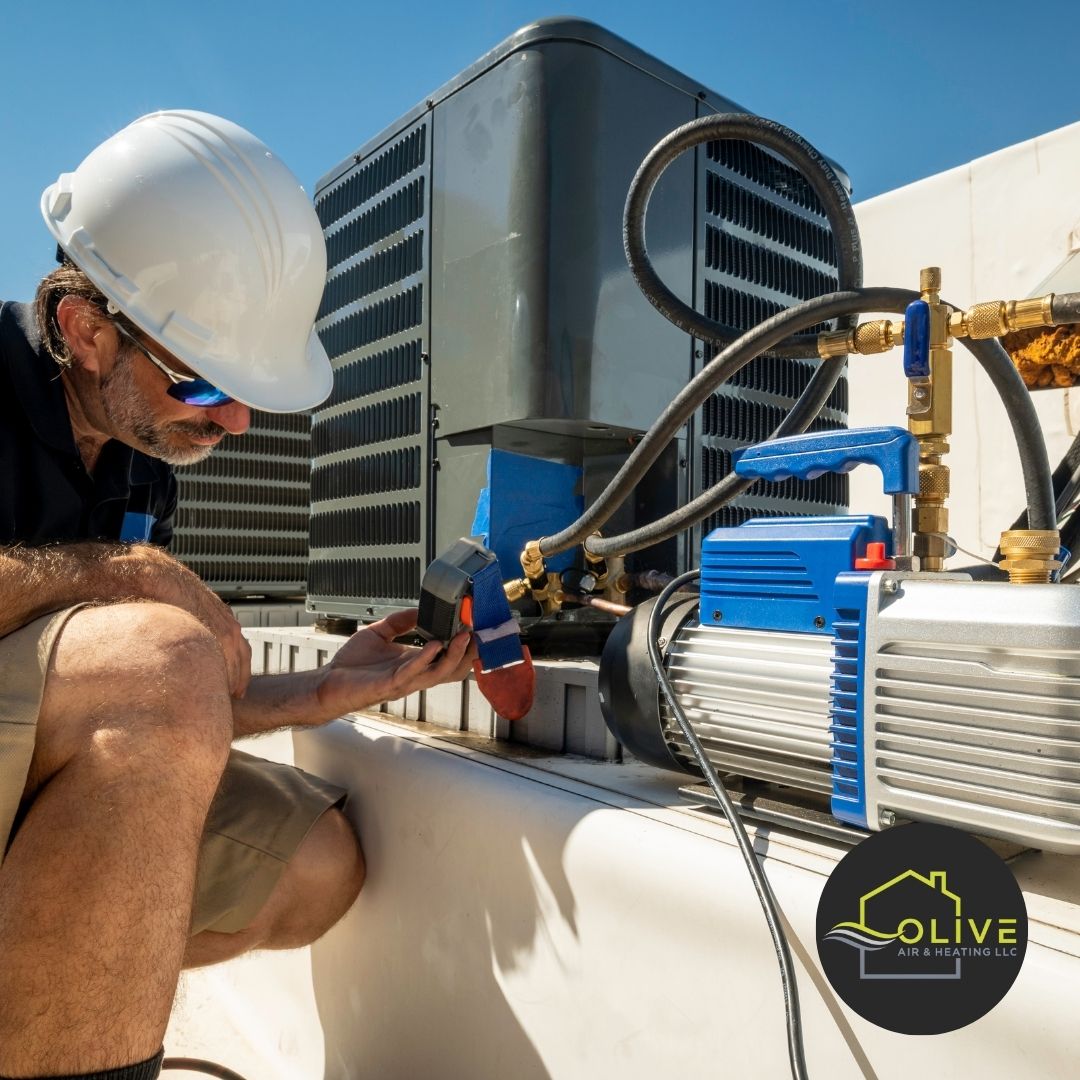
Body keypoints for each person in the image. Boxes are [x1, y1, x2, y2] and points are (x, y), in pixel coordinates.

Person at [0, 110, 474, 1080]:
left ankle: (51, 1005)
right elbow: (146, 662)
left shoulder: (142, 468)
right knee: (159, 652)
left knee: (319, 863)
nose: (240, 420)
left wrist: (327, 695)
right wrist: (124, 574)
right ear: (83, 330)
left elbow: (140, 703)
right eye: (207, 386)